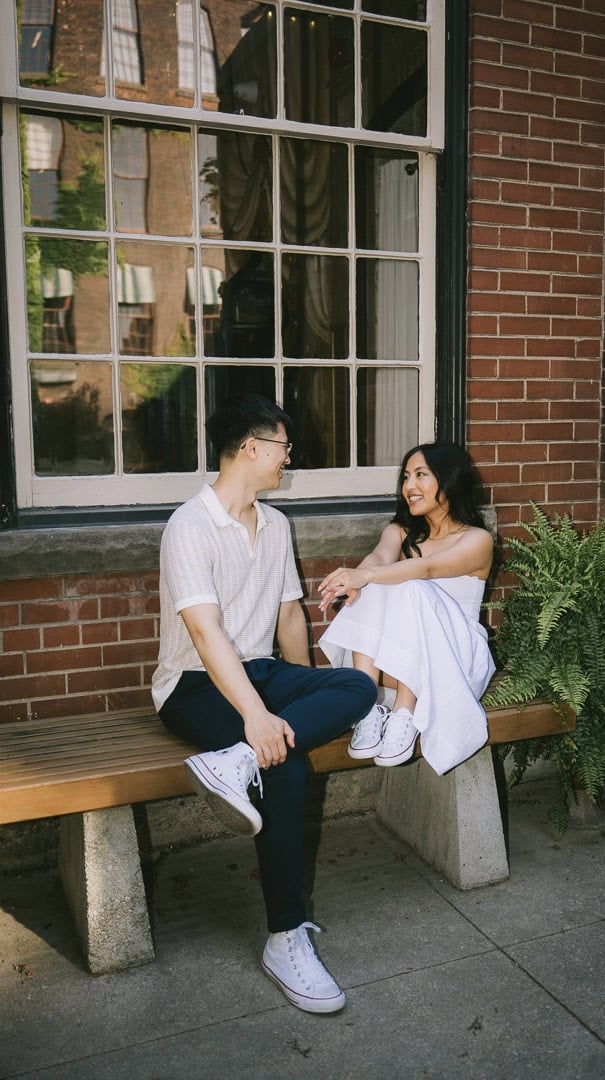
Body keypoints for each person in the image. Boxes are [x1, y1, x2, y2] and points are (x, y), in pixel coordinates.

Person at [151, 394, 376, 1015]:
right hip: (194, 686)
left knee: (356, 688)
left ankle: (237, 763)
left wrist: (303, 696)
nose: (287, 458)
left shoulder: (276, 523)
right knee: (288, 764)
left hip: (265, 673)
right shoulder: (189, 526)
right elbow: (205, 633)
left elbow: (287, 614)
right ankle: (285, 938)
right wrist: (257, 717)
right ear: (251, 448)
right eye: (282, 447)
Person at [318, 443, 496, 775]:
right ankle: (367, 704)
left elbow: (426, 569)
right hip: (403, 659)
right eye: (405, 477)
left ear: (449, 480)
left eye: (420, 475)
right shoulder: (399, 531)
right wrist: (360, 577)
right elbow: (378, 560)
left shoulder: (477, 539)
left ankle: (405, 713)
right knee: (371, 582)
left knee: (409, 583)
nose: (408, 487)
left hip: (458, 658)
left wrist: (366, 575)